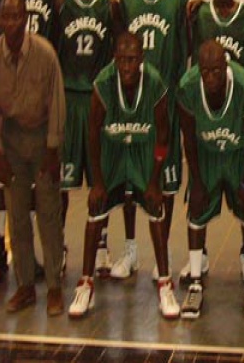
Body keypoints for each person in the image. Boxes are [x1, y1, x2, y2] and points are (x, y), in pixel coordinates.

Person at [67, 32, 180, 319]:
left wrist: (154, 180)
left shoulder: (154, 82)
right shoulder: (104, 83)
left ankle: (165, 285)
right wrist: (98, 182)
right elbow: (93, 134)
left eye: (132, 60)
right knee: (95, 210)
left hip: (143, 154)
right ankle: (85, 285)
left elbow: (163, 134)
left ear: (141, 59)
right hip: (114, 154)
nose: (127, 67)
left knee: (156, 208)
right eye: (122, 60)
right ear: (115, 59)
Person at [114, 0, 189, 281]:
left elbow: (186, 50)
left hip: (165, 102)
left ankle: (163, 251)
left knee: (167, 183)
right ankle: (130, 250)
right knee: (130, 180)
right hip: (132, 103)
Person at [177, 40, 244, 321]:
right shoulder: (188, 88)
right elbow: (188, 138)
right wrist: (196, 181)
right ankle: (195, 281)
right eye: (205, 71)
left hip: (238, 154)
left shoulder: (243, 87)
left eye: (216, 70)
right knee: (196, 212)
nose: (211, 77)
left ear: (226, 66)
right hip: (207, 154)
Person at [55, 0, 122, 277]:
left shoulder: (110, 6)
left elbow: (120, 53)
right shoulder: (62, 3)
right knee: (63, 183)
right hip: (69, 98)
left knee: (101, 179)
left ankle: (101, 246)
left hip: (97, 100)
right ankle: (61, 245)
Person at [0, 0, 66, 315]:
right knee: (17, 216)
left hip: (42, 141)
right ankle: (25, 285)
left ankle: (54, 286)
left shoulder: (44, 53)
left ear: (25, 20)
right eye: (5, 17)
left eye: (16, 17)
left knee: (49, 216)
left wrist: (53, 150)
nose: (11, 23)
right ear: (0, 20)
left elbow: (57, 103)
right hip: (10, 143)